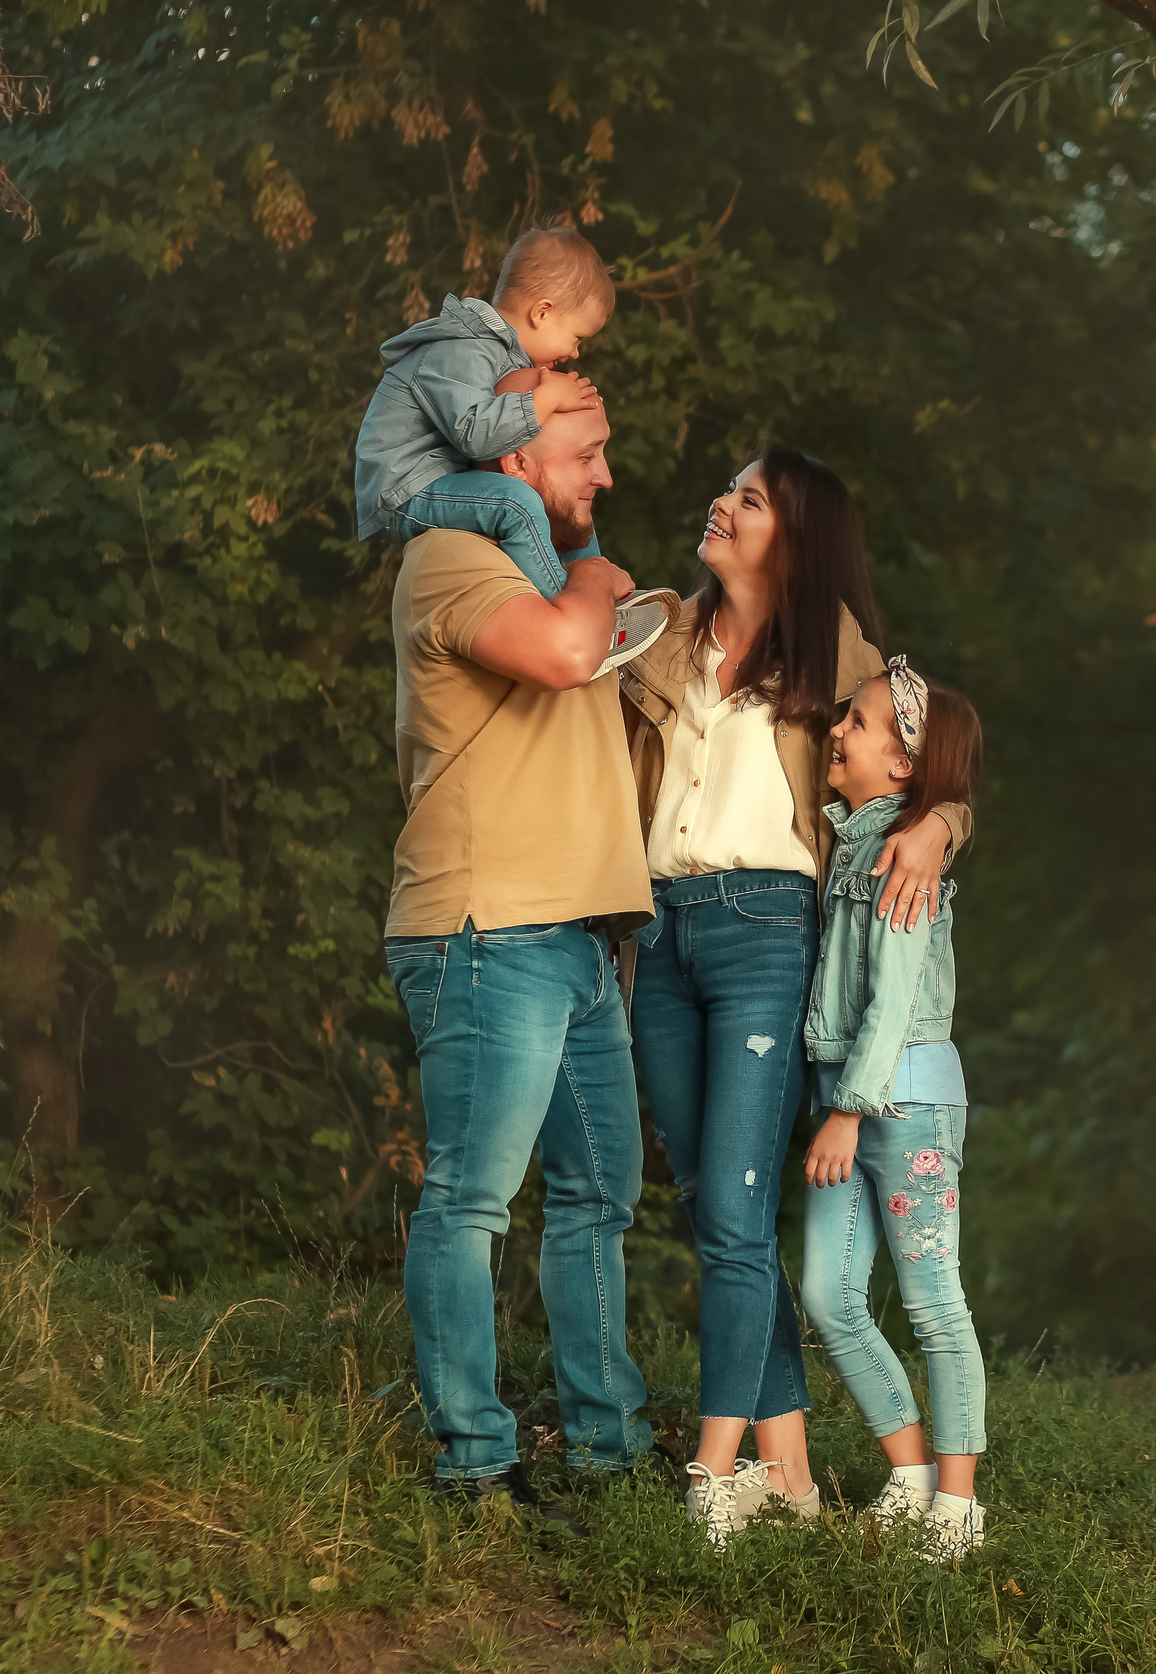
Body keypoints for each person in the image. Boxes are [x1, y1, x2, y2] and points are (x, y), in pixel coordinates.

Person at [617, 448, 968, 1548]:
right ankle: (790, 1470)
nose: (721, 505)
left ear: (797, 536)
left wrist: (941, 822)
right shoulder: (660, 633)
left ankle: (725, 1471)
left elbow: (930, 760)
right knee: (709, 1208)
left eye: (751, 499)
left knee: (732, 1210)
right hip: (655, 929)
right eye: (728, 490)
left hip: (767, 927)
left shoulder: (838, 653)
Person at [382, 399, 656, 1529]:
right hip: (487, 924)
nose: (606, 473)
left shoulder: (549, 576)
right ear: (512, 458)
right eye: (585, 453)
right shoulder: (451, 558)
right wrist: (596, 574)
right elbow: (568, 652)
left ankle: (608, 1447)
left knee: (601, 1194)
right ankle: (476, 1468)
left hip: (577, 933)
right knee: (471, 1199)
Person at [799, 661, 989, 1560]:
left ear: (905, 763)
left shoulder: (902, 852)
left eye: (862, 722)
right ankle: (909, 1478)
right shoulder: (859, 841)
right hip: (850, 1098)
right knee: (828, 1295)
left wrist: (847, 1110)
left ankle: (958, 1507)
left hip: (903, 1103)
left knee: (933, 1303)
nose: (839, 729)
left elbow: (895, 995)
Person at [355, 223, 613, 600]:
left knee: (563, 501)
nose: (575, 352)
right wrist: (547, 399)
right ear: (542, 312)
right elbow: (475, 434)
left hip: (443, 478)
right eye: (577, 337)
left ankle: (608, 596)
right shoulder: (464, 348)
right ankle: (568, 603)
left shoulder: (500, 353)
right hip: (405, 488)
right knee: (517, 503)